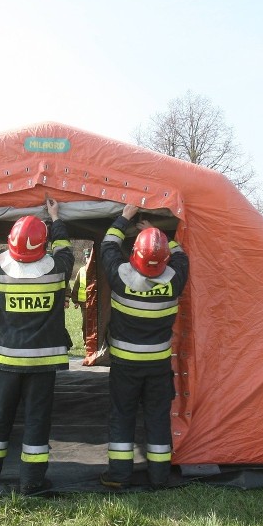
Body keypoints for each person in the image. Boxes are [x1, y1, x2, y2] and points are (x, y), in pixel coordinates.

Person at [0, 197, 74, 493]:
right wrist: (55, 218)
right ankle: (32, 480)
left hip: (7, 362)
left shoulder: (1, 269)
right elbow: (64, 248)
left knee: (0, 417)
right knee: (37, 420)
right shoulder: (59, 268)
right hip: (43, 363)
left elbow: (11, 253)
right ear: (43, 245)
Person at [99, 204, 189, 490]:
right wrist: (159, 234)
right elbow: (180, 256)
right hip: (158, 365)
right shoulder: (175, 279)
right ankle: (159, 477)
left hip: (125, 365)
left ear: (134, 252)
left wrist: (126, 218)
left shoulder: (121, 276)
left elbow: (108, 244)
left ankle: (119, 475)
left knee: (122, 417)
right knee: (157, 417)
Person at [69, 248, 92, 343]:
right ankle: (86, 342)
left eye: (89, 257)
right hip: (84, 303)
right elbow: (76, 285)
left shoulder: (98, 270)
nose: (87, 259)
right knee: (85, 324)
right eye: (86, 257)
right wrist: (75, 301)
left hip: (95, 302)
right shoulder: (81, 270)